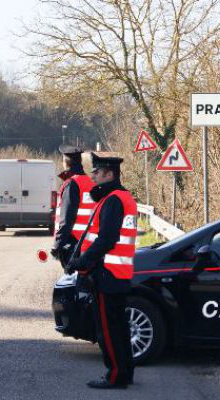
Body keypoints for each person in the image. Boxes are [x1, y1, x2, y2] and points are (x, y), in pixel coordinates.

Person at [66, 152, 137, 389]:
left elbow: (106, 239)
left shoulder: (114, 200)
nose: (93, 176)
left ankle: (115, 377)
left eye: (96, 172)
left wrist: (82, 262)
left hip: (107, 275)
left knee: (108, 331)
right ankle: (125, 373)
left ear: (109, 173)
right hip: (117, 275)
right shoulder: (119, 197)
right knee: (119, 328)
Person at [51, 145, 95, 267]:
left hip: (73, 245)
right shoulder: (90, 183)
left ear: (65, 163)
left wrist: (57, 246)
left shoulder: (71, 184)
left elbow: (67, 220)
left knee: (72, 283)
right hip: (90, 243)